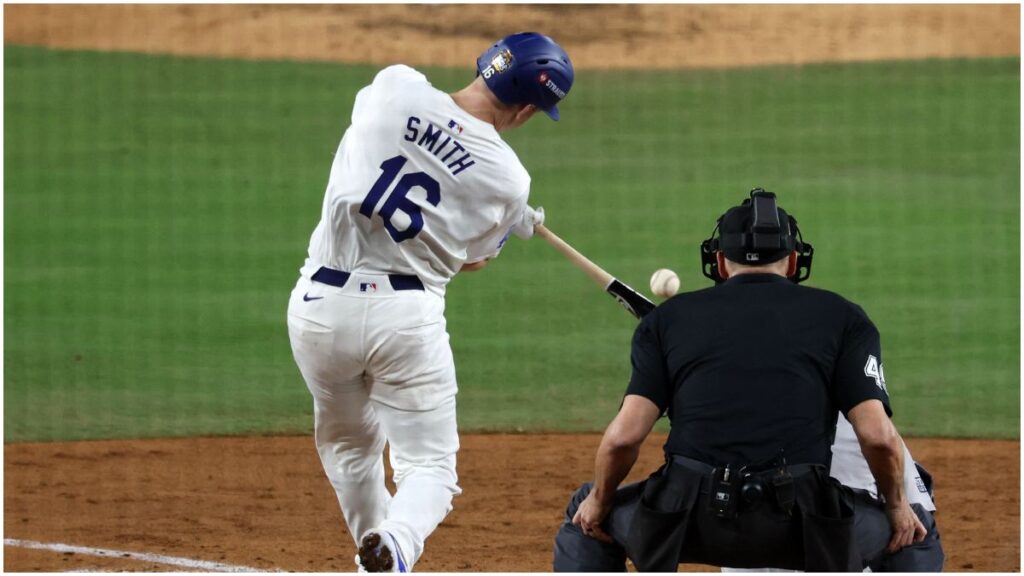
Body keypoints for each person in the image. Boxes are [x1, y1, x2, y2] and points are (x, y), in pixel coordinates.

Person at [287, 32, 573, 572]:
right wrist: (514, 219)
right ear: (530, 110)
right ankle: (395, 545)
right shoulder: (509, 178)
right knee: (430, 469)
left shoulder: (395, 86)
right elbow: (473, 260)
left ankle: (379, 549)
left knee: (350, 449)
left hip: (319, 308)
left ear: (488, 62)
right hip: (404, 321)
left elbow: (396, 148)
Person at [552, 189, 927, 572]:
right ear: (795, 260)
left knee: (585, 516)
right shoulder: (844, 318)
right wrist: (897, 508)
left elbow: (623, 439)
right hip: (806, 525)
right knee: (915, 533)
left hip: (686, 522)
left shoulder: (668, 321)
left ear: (719, 261)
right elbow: (879, 438)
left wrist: (599, 501)